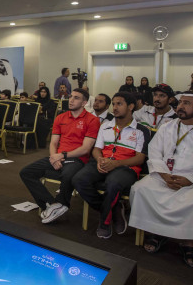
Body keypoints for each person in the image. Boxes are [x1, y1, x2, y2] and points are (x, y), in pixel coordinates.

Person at [72, 92, 150, 239]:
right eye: (113, 104)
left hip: (126, 167)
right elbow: (96, 149)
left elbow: (139, 158)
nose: (114, 107)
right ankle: (114, 210)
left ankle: (104, 223)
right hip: (103, 161)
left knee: (113, 183)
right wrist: (100, 159)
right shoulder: (105, 126)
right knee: (78, 179)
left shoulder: (141, 130)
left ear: (131, 106)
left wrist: (116, 163)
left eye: (119, 104)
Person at [129, 91, 193, 267]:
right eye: (180, 103)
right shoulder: (167, 127)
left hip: (190, 180)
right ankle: (156, 232)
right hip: (164, 174)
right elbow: (154, 153)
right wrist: (165, 176)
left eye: (187, 103)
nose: (180, 106)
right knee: (140, 189)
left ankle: (188, 241)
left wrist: (189, 179)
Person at [19, 88, 99, 224]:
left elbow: (85, 149)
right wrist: (53, 157)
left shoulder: (92, 120)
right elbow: (53, 142)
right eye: (71, 96)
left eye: (76, 98)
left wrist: (61, 155)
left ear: (84, 102)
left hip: (77, 158)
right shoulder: (60, 117)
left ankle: (61, 203)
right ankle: (52, 204)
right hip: (58, 156)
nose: (71, 100)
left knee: (67, 175)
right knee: (26, 172)